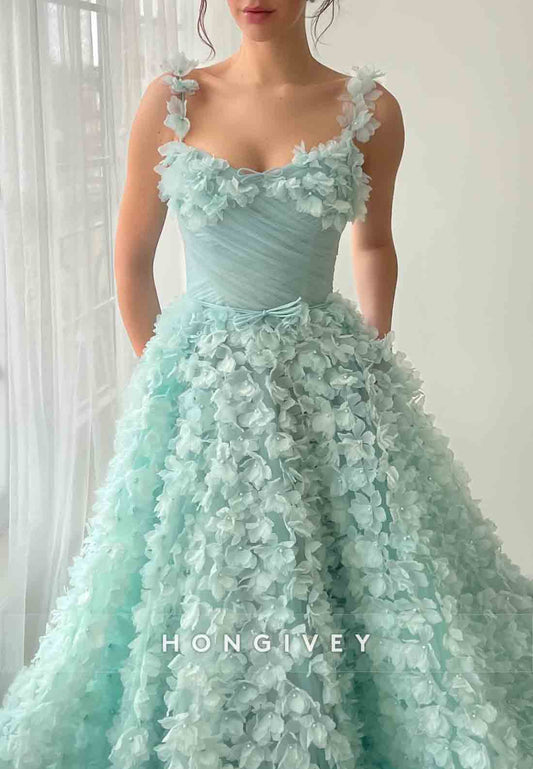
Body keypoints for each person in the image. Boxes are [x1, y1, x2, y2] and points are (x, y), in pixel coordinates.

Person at [1, 1, 532, 767]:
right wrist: (168, 375)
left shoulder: (368, 109)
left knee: (357, 571)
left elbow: (373, 242)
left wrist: (369, 358)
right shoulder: (173, 101)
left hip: (325, 378)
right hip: (199, 382)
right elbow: (131, 258)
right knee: (197, 576)